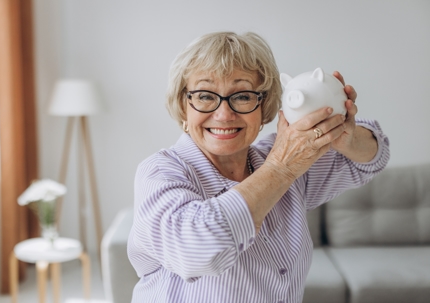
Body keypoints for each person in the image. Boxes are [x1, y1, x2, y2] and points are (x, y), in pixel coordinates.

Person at [128, 31, 390, 303]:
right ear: (184, 105)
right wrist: (281, 169)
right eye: (205, 95)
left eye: (242, 96)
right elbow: (193, 251)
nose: (224, 114)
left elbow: (373, 157)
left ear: (263, 105)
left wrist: (343, 134)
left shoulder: (280, 155)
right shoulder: (160, 172)